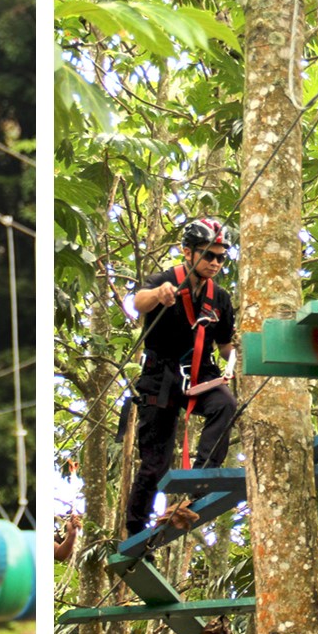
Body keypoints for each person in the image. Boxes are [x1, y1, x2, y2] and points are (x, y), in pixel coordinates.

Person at [125, 218, 238, 539]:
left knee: (225, 405)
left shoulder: (221, 298)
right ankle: (135, 528)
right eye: (208, 255)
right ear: (186, 252)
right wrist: (159, 295)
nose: (215, 263)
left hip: (201, 375)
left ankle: (202, 481)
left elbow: (226, 344)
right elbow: (138, 302)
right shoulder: (166, 280)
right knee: (154, 464)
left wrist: (235, 363)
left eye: (221, 257)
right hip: (161, 377)